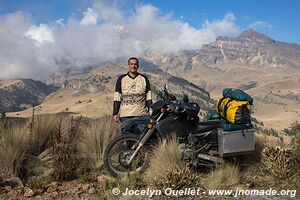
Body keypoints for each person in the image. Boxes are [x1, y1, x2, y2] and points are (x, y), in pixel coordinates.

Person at [112, 57, 152, 134]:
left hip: (141, 114)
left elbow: (148, 97)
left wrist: (150, 111)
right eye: (131, 64)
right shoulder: (121, 79)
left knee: (144, 136)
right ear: (128, 65)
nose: (133, 66)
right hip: (126, 115)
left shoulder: (144, 79)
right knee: (126, 138)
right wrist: (115, 113)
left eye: (135, 64)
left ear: (138, 66)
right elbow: (117, 97)